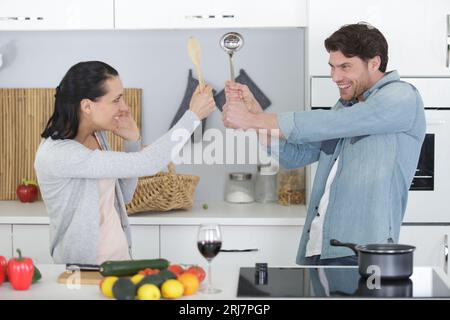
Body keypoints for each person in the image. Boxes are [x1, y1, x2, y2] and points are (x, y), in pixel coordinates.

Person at [221, 23, 426, 265]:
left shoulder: (401, 97)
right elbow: (294, 156)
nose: (335, 77)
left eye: (345, 67)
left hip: (362, 252)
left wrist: (251, 119)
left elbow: (336, 122)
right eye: (332, 67)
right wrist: (255, 116)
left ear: (374, 63)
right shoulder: (345, 107)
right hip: (320, 245)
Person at [35, 61, 216, 264]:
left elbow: (124, 196)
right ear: (87, 106)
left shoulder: (96, 137)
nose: (124, 107)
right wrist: (192, 117)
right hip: (85, 269)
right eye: (116, 100)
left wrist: (131, 141)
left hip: (119, 261)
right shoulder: (59, 154)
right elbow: (149, 163)